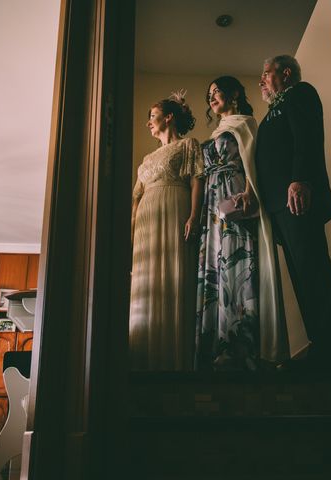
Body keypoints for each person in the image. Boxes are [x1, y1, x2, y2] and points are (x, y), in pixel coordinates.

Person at [255, 55, 331, 369]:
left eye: (266, 73)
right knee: (301, 276)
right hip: (279, 209)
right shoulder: (270, 114)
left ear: (286, 72)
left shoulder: (299, 94)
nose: (261, 80)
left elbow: (306, 137)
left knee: (313, 270)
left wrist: (300, 179)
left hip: (297, 197)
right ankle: (320, 345)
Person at [196, 76, 289, 371]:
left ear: (234, 93)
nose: (212, 97)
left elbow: (253, 161)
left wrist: (249, 191)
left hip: (234, 193)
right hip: (212, 203)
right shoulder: (216, 131)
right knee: (217, 264)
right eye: (208, 94)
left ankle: (241, 344)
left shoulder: (245, 122)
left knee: (236, 263)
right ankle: (217, 345)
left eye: (217, 91)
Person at [129, 91, 204, 370]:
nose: (148, 122)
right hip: (147, 219)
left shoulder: (188, 145)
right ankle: (144, 358)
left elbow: (197, 179)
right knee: (147, 283)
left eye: (152, 115)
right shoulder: (147, 159)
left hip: (176, 209)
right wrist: (133, 232)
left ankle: (177, 357)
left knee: (176, 275)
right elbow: (135, 198)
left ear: (168, 117)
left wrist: (194, 216)